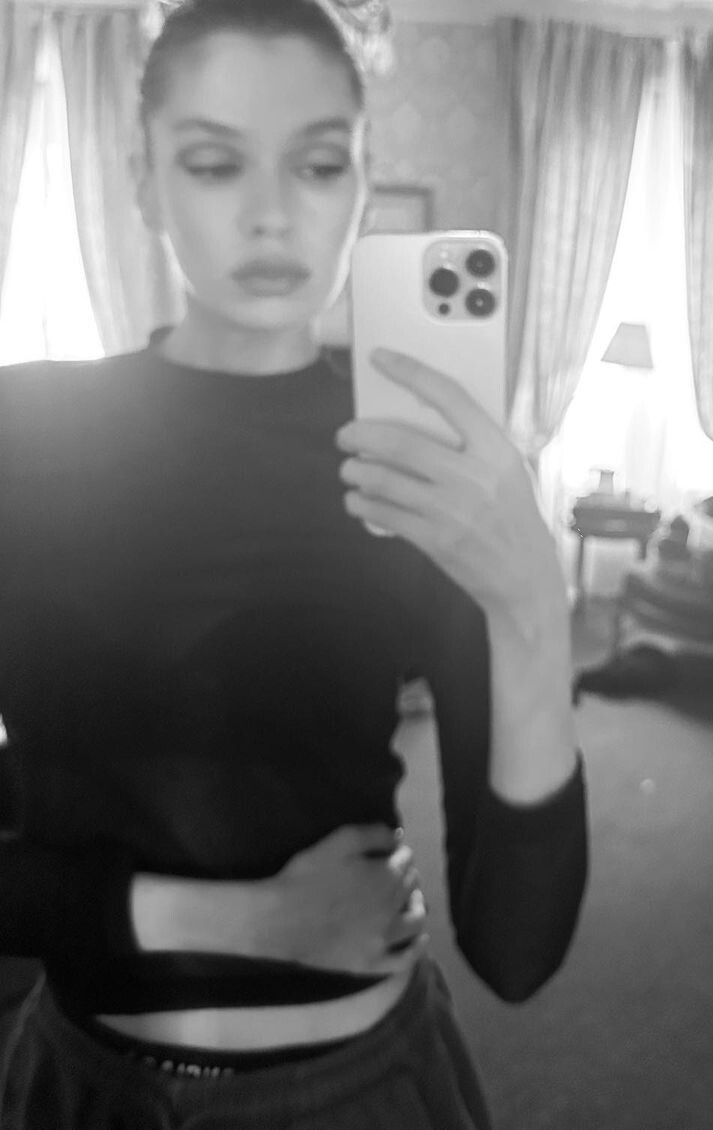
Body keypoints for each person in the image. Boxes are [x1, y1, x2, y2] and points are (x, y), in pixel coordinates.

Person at [0, 0, 588, 1125]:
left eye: (319, 165)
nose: (271, 213)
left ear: (362, 187)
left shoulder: (417, 463)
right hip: (83, 1089)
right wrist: (244, 921)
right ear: (144, 184)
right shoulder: (22, 437)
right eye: (214, 163)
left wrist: (529, 603)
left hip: (358, 1089)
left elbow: (516, 948)